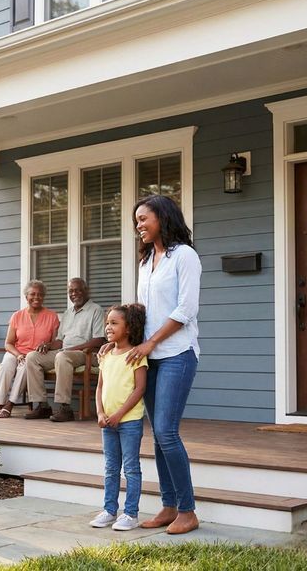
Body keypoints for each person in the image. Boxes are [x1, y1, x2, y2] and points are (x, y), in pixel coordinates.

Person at [104, 194, 201, 535]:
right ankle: (169, 505)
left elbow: (185, 310)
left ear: (163, 216)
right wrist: (117, 338)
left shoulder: (184, 256)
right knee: (159, 437)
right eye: (136, 221)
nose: (138, 226)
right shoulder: (146, 262)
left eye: (143, 218)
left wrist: (151, 342)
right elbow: (140, 313)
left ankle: (188, 511)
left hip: (176, 353)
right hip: (149, 357)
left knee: (166, 432)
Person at [90, 304, 147, 531]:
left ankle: (130, 514)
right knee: (111, 468)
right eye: (107, 323)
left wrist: (118, 414)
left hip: (129, 422)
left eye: (114, 323)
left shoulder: (135, 356)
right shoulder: (105, 355)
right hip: (107, 423)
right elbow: (99, 387)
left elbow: (139, 389)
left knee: (131, 468)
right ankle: (109, 510)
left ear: (129, 328)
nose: (108, 327)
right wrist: (101, 413)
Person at [25, 278, 105, 422]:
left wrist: (71, 349)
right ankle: (42, 405)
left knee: (62, 357)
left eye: (78, 290)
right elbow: (60, 341)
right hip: (64, 352)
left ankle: (65, 408)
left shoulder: (96, 310)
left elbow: (99, 340)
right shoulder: (68, 313)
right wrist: (48, 345)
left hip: (86, 353)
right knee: (32, 357)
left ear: (86, 291)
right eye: (71, 291)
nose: (74, 294)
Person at [0, 280, 59, 419]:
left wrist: (47, 346)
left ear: (43, 297)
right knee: (6, 366)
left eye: (40, 294)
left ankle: (9, 404)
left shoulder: (51, 316)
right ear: (26, 297)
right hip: (16, 352)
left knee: (25, 367)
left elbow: (55, 342)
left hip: (36, 356)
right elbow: (8, 343)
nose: (36, 297)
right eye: (32, 294)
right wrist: (18, 354)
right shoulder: (17, 316)